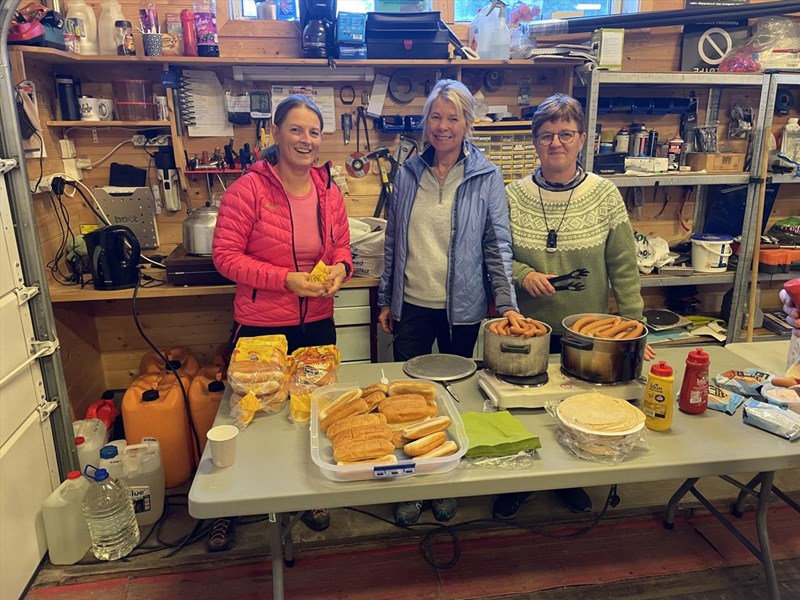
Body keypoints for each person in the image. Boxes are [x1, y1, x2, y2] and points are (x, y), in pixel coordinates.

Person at [495, 93, 653, 520]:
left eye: (566, 134)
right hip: (526, 330)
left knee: (579, 410)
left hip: (589, 335)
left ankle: (569, 479)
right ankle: (520, 479)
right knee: (524, 411)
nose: (556, 143)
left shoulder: (605, 196)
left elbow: (623, 268)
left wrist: (635, 329)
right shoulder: (512, 196)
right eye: (546, 136)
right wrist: (522, 272)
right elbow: (496, 253)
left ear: (582, 139)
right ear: (535, 142)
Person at [211, 94, 353, 549]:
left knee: (310, 410)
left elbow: (343, 249)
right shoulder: (247, 190)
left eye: (313, 131)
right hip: (262, 328)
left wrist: (340, 271)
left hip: (317, 323)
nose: (306, 140)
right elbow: (225, 258)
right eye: (296, 129)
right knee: (253, 415)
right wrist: (284, 280)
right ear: (275, 133)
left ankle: (310, 492)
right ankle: (236, 503)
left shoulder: (330, 193)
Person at [377, 79, 522, 526]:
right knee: (409, 400)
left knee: (455, 398)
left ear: (467, 124)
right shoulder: (406, 173)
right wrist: (386, 298)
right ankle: (410, 481)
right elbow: (392, 242)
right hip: (413, 306)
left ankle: (446, 478)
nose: (443, 126)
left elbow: (498, 244)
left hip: (463, 309)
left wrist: (508, 302)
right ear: (426, 123)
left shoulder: (487, 175)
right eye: (435, 117)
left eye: (452, 117)